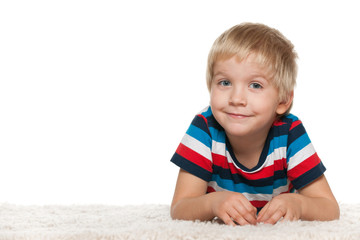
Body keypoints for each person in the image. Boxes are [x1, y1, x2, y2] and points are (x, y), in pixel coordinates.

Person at [170, 23, 339, 226]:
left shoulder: (289, 133)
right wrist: (212, 203)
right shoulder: (205, 128)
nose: (237, 98)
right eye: (225, 82)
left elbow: (330, 208)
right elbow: (180, 208)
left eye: (255, 85)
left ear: (283, 100)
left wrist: (298, 204)